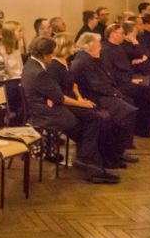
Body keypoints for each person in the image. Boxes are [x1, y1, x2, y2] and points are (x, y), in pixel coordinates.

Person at [21, 37, 118, 184]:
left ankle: (90, 164)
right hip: (49, 114)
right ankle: (90, 166)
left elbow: (55, 93)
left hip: (47, 108)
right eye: (51, 54)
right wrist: (81, 104)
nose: (52, 57)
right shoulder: (39, 72)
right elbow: (60, 97)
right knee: (91, 122)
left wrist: (59, 97)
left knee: (92, 121)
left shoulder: (30, 64)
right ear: (46, 55)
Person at [48, 34, 123, 173]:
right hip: (64, 105)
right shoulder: (54, 66)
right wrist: (80, 104)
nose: (74, 47)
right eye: (72, 45)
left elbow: (73, 86)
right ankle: (88, 158)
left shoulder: (65, 62)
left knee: (105, 116)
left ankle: (105, 158)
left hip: (73, 101)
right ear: (65, 47)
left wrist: (80, 99)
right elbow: (58, 95)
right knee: (96, 118)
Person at [69, 33, 138, 163]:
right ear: (90, 46)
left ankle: (119, 149)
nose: (100, 47)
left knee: (129, 104)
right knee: (128, 112)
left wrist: (116, 93)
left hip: (100, 94)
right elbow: (96, 85)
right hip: (93, 97)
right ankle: (118, 151)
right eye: (98, 45)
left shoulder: (90, 58)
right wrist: (115, 94)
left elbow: (105, 79)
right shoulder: (84, 61)